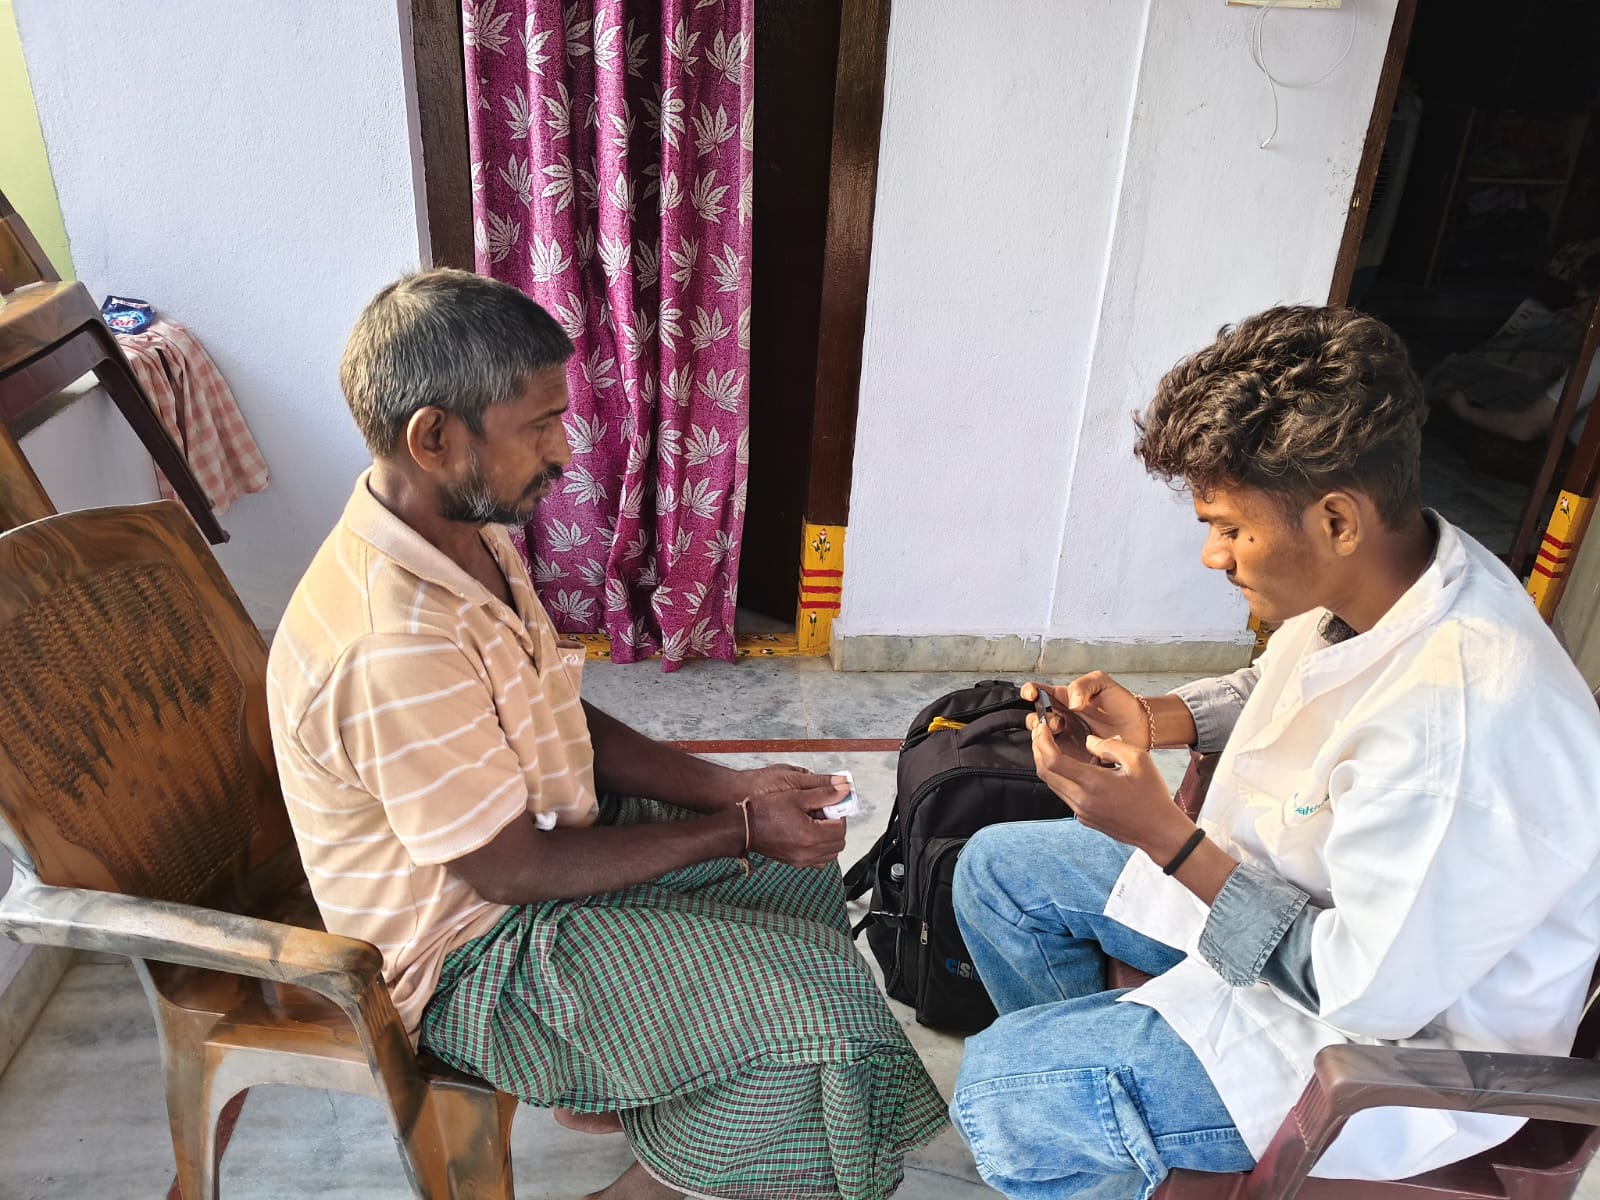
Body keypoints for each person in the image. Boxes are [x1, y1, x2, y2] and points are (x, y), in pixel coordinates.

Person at [265, 269, 945, 1200]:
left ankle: (650, 1086)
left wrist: (735, 792)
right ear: (434, 437)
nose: (562, 450)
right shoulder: (392, 643)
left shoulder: (462, 530)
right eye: (539, 426)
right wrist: (737, 829)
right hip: (472, 956)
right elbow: (509, 871)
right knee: (814, 1019)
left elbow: (554, 710)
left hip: (534, 846)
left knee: (796, 868)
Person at [949, 305, 1600, 1200]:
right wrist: (1154, 717)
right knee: (998, 875)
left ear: (1336, 519)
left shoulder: (1457, 729)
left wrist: (1165, 837)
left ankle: (1110, 1098)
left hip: (1379, 1047)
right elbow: (1288, 684)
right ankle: (1122, 1112)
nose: (1212, 555)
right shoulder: (1399, 570)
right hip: (1287, 892)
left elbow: (1359, 991)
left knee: (999, 1089)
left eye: (1229, 528)